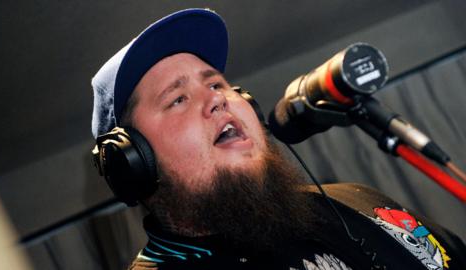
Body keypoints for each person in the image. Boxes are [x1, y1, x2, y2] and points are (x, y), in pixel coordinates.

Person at [91, 8, 466, 270]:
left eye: (216, 83)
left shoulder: (354, 200)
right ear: (132, 161)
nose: (217, 98)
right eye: (178, 99)